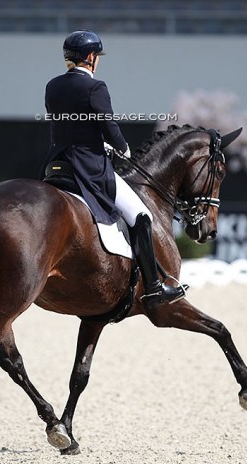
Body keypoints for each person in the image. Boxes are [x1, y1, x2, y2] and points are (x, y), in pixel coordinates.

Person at [41, 30, 185, 309]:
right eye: (97, 57)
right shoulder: (96, 88)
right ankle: (154, 287)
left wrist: (96, 143)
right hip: (89, 169)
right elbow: (107, 125)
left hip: (56, 164)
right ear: (91, 57)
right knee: (142, 216)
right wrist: (120, 147)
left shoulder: (52, 86)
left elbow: (69, 127)